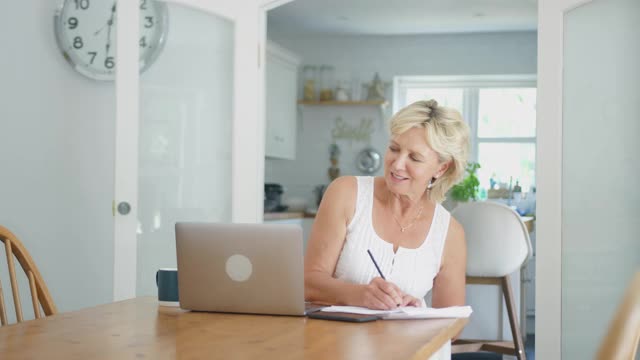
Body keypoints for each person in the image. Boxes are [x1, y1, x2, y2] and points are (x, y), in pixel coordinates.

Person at [304, 99, 469, 310]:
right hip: (337, 340)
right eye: (394, 148)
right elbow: (308, 283)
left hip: (408, 342)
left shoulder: (450, 233)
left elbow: (452, 325)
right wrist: (359, 295)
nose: (397, 164)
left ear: (441, 169)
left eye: (415, 158)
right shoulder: (345, 193)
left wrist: (417, 308)